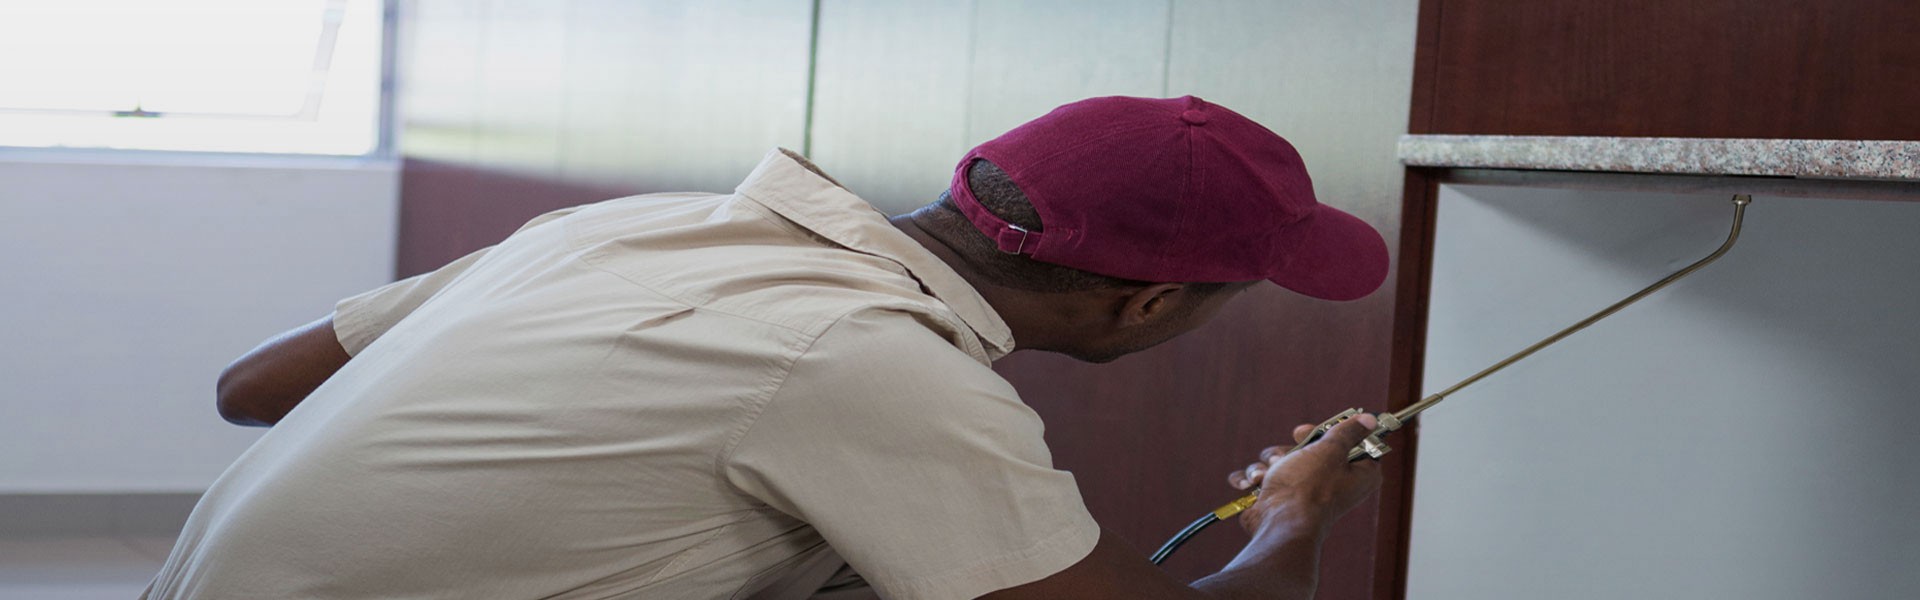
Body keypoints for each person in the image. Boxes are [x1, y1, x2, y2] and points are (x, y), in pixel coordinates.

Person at [145, 95, 1391, 600]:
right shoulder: (870, 365)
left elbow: (253, 391)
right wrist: (1295, 514)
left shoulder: (641, 228)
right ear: (1147, 305)